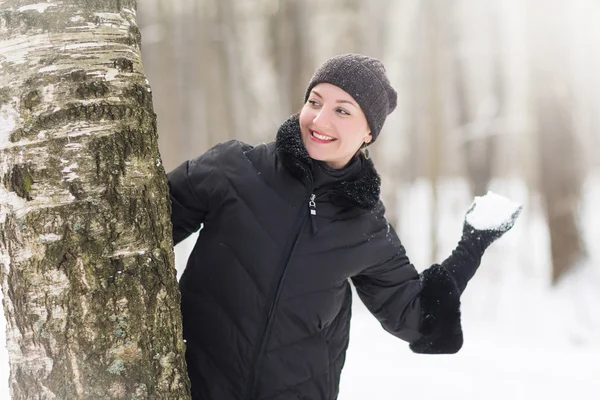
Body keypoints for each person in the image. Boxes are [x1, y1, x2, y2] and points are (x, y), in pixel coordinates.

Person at [168, 54, 520, 400]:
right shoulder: (235, 169)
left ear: (369, 131)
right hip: (192, 386)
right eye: (314, 101)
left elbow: (416, 317)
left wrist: (472, 245)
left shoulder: (364, 226)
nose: (319, 120)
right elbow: (143, 230)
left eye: (342, 110)